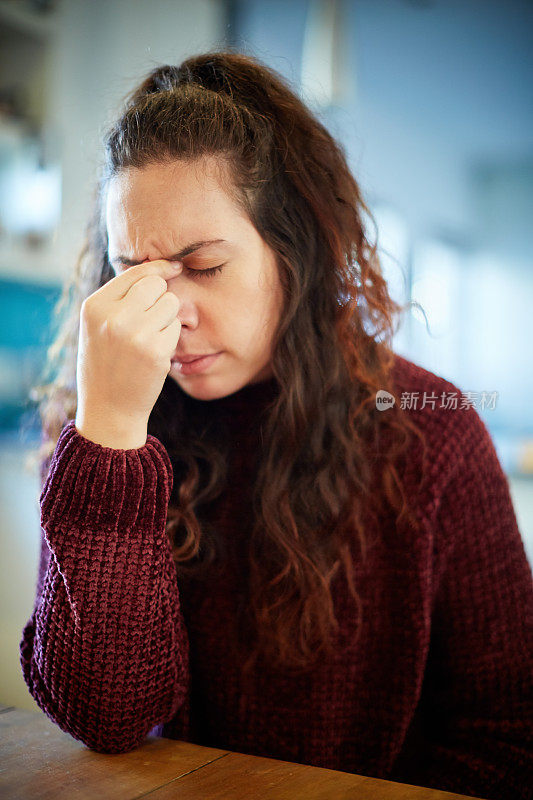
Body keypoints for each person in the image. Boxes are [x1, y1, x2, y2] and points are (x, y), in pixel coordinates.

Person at [19, 51, 532, 800]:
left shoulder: (431, 433)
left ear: (297, 250)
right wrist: (110, 435)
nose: (171, 316)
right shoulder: (102, 424)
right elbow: (104, 715)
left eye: (203, 266)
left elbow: (508, 736)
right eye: (134, 272)